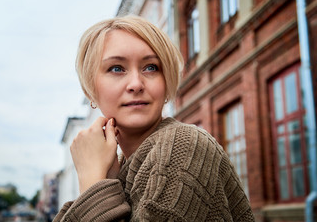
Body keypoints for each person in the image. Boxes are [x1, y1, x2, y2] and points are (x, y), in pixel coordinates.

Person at [53, 16, 255, 221]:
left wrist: (92, 183)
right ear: (91, 90)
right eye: (117, 68)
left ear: (166, 82)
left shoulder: (183, 145)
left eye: (150, 67)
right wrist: (106, 180)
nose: (136, 84)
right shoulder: (126, 167)